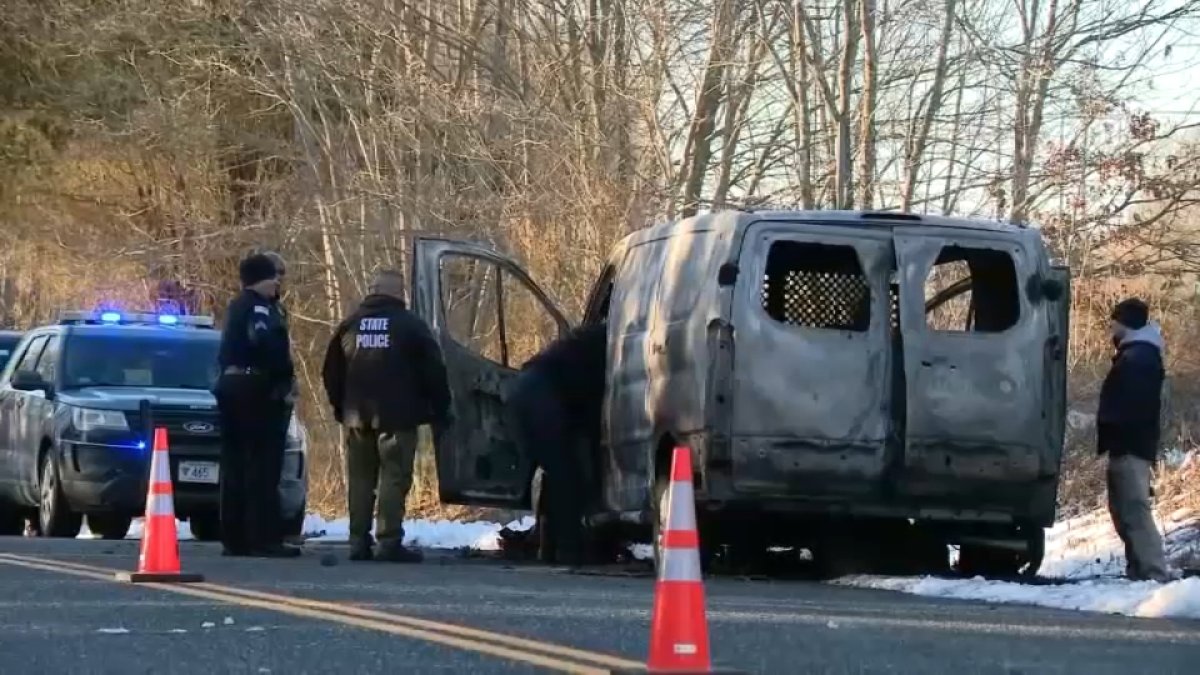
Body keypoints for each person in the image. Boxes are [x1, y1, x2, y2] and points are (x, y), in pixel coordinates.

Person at [321, 269, 452, 562]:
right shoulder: (411, 326)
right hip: (398, 417)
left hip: (357, 419)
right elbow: (434, 370)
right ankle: (388, 540)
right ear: (398, 292)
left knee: (361, 479)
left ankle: (358, 541)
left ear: (373, 290)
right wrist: (440, 408)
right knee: (394, 477)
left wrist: (340, 407)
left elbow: (331, 371)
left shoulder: (350, 325)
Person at [215, 252, 299, 558]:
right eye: (272, 277)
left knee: (235, 464)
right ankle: (263, 537)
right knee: (263, 465)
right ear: (258, 281)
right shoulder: (260, 308)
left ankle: (234, 537)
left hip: (231, 385)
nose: (277, 282)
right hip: (256, 390)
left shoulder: (236, 306)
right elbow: (263, 343)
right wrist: (284, 378)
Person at [508, 322, 606, 567]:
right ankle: (569, 549)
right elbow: (591, 411)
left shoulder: (587, 342)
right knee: (566, 477)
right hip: (544, 398)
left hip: (524, 390)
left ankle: (551, 546)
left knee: (556, 473)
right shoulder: (605, 350)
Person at [1097, 298, 1169, 582]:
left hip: (1130, 445)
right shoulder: (1136, 353)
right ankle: (1139, 570)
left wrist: (1115, 428)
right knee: (1124, 509)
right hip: (1126, 444)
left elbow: (1134, 405)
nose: (1111, 326)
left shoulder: (1139, 357)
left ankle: (1153, 572)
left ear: (1125, 322)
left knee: (1135, 509)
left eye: (1115, 320)